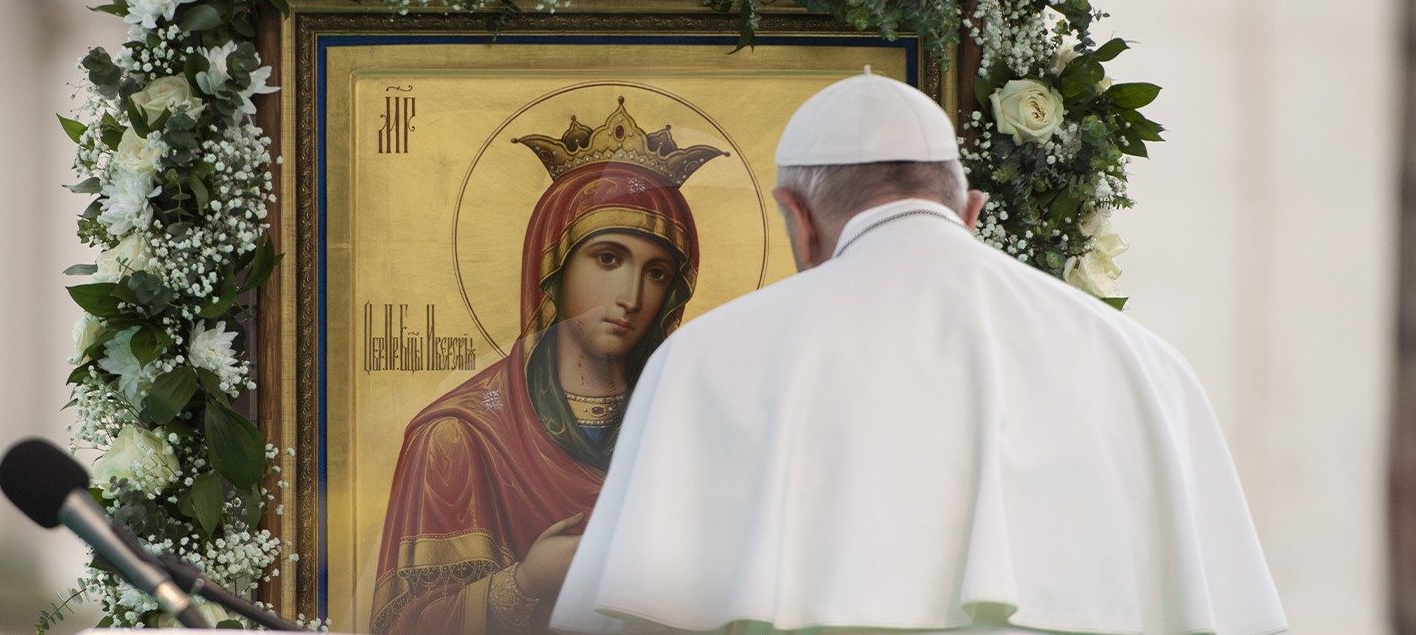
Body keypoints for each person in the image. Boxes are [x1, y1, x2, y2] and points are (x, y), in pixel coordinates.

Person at [553, 72, 1287, 635]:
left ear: (798, 220)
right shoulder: (1147, 369)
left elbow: (632, 614)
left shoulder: (704, 362)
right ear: (971, 213)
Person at [370, 98, 726, 634]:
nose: (630, 295)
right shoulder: (459, 435)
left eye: (656, 273)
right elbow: (403, 626)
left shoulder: (697, 429)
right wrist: (526, 582)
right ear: (552, 265)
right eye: (608, 258)